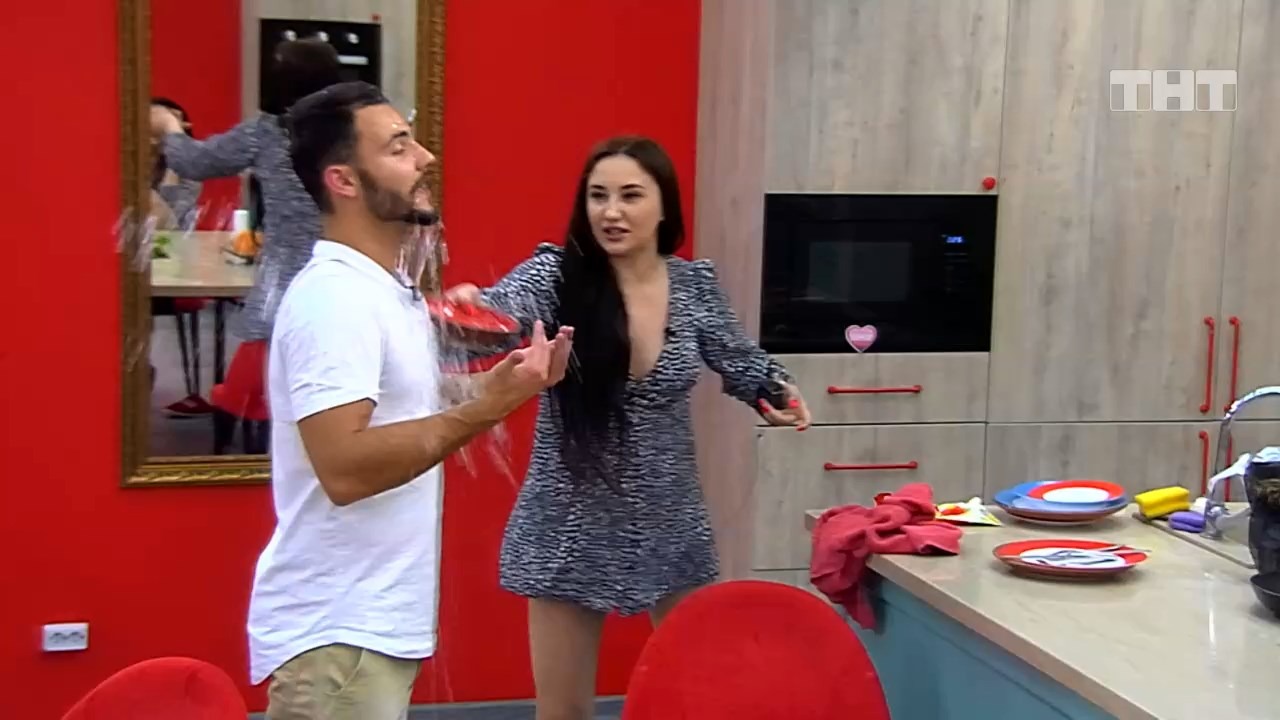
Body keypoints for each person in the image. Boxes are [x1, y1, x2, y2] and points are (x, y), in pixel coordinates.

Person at [445, 136, 811, 720]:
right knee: (564, 712)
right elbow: (495, 318)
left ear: (664, 206)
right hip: (568, 521)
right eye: (598, 196)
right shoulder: (555, 275)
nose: (611, 212)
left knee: (700, 697)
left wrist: (774, 389)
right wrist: (465, 313)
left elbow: (738, 358)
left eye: (630, 196)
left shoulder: (693, 287)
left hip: (671, 519)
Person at [247, 81, 575, 720]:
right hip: (338, 637)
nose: (425, 157)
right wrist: (487, 407)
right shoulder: (334, 300)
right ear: (344, 181)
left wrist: (507, 385)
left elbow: (410, 408)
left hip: (363, 634)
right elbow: (345, 468)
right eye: (398, 147)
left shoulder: (383, 291)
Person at [149, 38, 343, 343]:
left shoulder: (268, 132)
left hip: (283, 291)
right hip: (340, 287)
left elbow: (194, 162)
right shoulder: (355, 132)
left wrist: (169, 127)